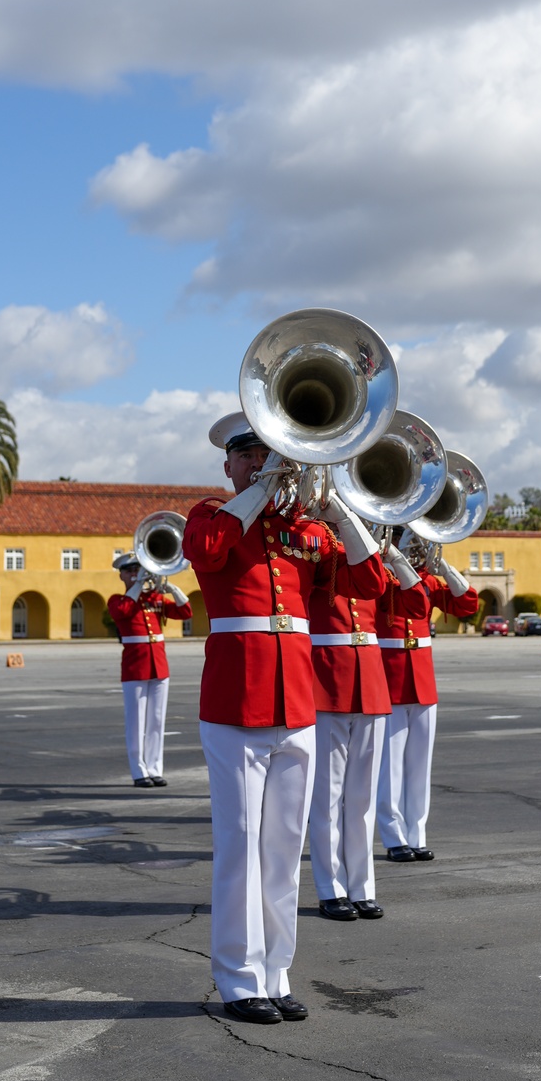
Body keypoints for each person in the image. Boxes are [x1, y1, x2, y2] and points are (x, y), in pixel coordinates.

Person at [183, 413, 386, 1025]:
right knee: (241, 844)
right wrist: (260, 490)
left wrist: (340, 511)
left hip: (297, 702)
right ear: (229, 464)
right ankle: (239, 980)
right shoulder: (211, 516)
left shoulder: (305, 533)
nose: (261, 461)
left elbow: (371, 581)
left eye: (271, 452)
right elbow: (210, 553)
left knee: (282, 848)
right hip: (236, 701)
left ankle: (275, 972)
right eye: (248, 454)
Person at [308, 541, 424, 922]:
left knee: (361, 800)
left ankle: (361, 888)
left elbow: (418, 604)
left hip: (371, 684)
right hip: (328, 681)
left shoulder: (374, 565)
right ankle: (331, 889)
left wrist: (395, 558)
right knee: (327, 797)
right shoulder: (315, 554)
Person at [376, 534, 478, 862]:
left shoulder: (429, 580)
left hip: (421, 681)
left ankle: (416, 834)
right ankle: (393, 838)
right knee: (390, 768)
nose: (413, 545)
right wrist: (391, 557)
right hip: (389, 679)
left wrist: (443, 567)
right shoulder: (380, 573)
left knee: (420, 766)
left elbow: (468, 604)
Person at [107, 556, 192, 787]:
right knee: (136, 722)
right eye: (130, 571)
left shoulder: (154, 599)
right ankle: (138, 771)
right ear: (121, 575)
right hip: (135, 667)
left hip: (159, 665)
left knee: (156, 720)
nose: (135, 573)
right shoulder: (118, 600)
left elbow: (186, 613)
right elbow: (122, 611)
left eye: (138, 569)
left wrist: (172, 589)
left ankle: (155, 768)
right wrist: (137, 585)